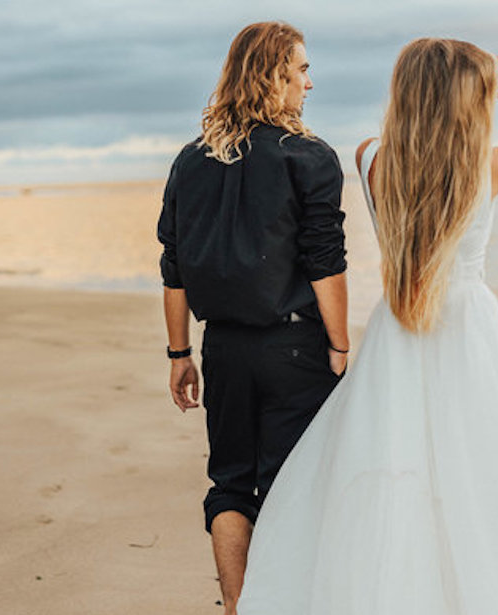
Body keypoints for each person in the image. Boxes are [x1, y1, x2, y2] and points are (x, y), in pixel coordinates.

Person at [236, 38, 498, 615]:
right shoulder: (489, 164)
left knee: (394, 470)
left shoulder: (372, 157)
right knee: (480, 472)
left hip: (397, 328)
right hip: (469, 329)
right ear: (468, 97)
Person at [156, 22, 348, 615]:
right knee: (301, 484)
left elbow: (175, 266)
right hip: (295, 348)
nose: (309, 83)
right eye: (302, 70)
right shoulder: (309, 156)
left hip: (223, 349)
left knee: (232, 484)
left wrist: (179, 354)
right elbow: (325, 261)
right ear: (274, 74)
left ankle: (240, 606)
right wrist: (340, 346)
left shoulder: (190, 161)